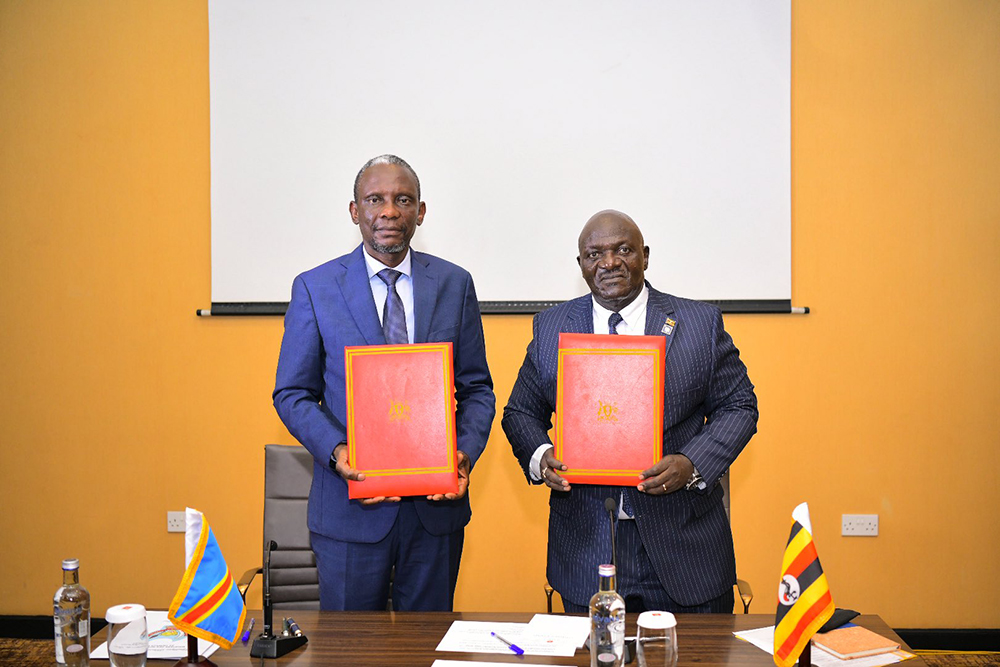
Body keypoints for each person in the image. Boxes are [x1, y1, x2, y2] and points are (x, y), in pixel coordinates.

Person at [502, 209, 757, 614]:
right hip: (586, 548)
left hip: (685, 548)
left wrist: (692, 463)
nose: (609, 263)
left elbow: (739, 405)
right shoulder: (551, 327)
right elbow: (520, 412)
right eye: (594, 254)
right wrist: (541, 456)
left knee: (695, 651)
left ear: (645, 256)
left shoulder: (699, 323)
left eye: (623, 250)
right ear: (581, 264)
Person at [273, 154, 495, 611]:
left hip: (435, 513)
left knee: (428, 643)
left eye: (403, 200)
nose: (390, 211)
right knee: (351, 646)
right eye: (375, 200)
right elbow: (292, 393)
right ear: (355, 211)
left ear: (421, 212)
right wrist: (338, 451)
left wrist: (464, 453)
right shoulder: (315, 287)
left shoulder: (454, 283)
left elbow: (477, 389)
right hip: (348, 512)